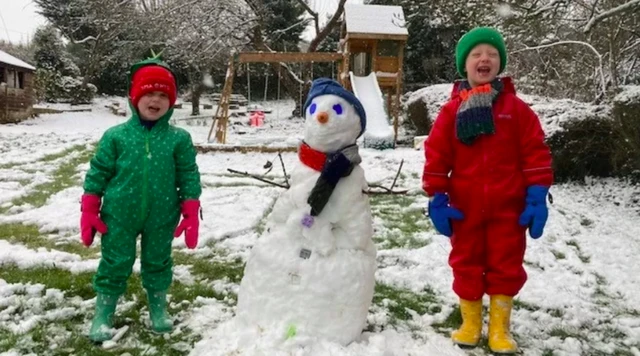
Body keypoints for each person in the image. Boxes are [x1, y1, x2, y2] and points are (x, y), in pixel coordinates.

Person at [422, 27, 553, 354]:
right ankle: (470, 323)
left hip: (509, 209)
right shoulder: (451, 113)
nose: (485, 59)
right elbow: (437, 155)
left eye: (492, 54)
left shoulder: (516, 110)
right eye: (476, 54)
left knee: (506, 264)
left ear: (500, 64)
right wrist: (437, 197)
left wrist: (536, 196)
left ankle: (499, 328)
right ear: (464, 65)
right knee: (465, 262)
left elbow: (535, 152)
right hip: (464, 208)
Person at [79, 56, 202, 342]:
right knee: (115, 261)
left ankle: (158, 309)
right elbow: (98, 171)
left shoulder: (178, 138)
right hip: (119, 213)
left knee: (158, 261)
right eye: (149, 93)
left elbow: (188, 174)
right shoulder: (116, 136)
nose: (155, 100)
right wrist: (89, 207)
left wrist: (191, 208)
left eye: (163, 95)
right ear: (135, 97)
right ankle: (103, 313)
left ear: (171, 102)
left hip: (162, 214)